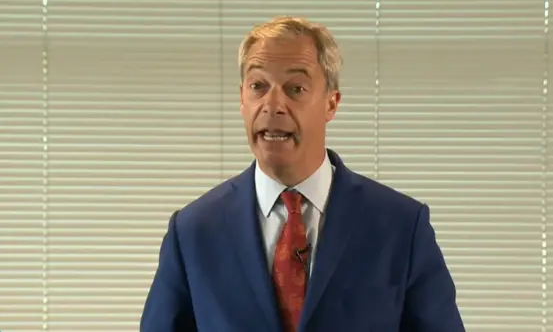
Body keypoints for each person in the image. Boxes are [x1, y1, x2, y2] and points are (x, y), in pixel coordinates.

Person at [140, 16, 466, 332]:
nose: (273, 105)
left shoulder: (402, 227)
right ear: (242, 98)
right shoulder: (194, 232)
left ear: (331, 103)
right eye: (258, 86)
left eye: (295, 88)